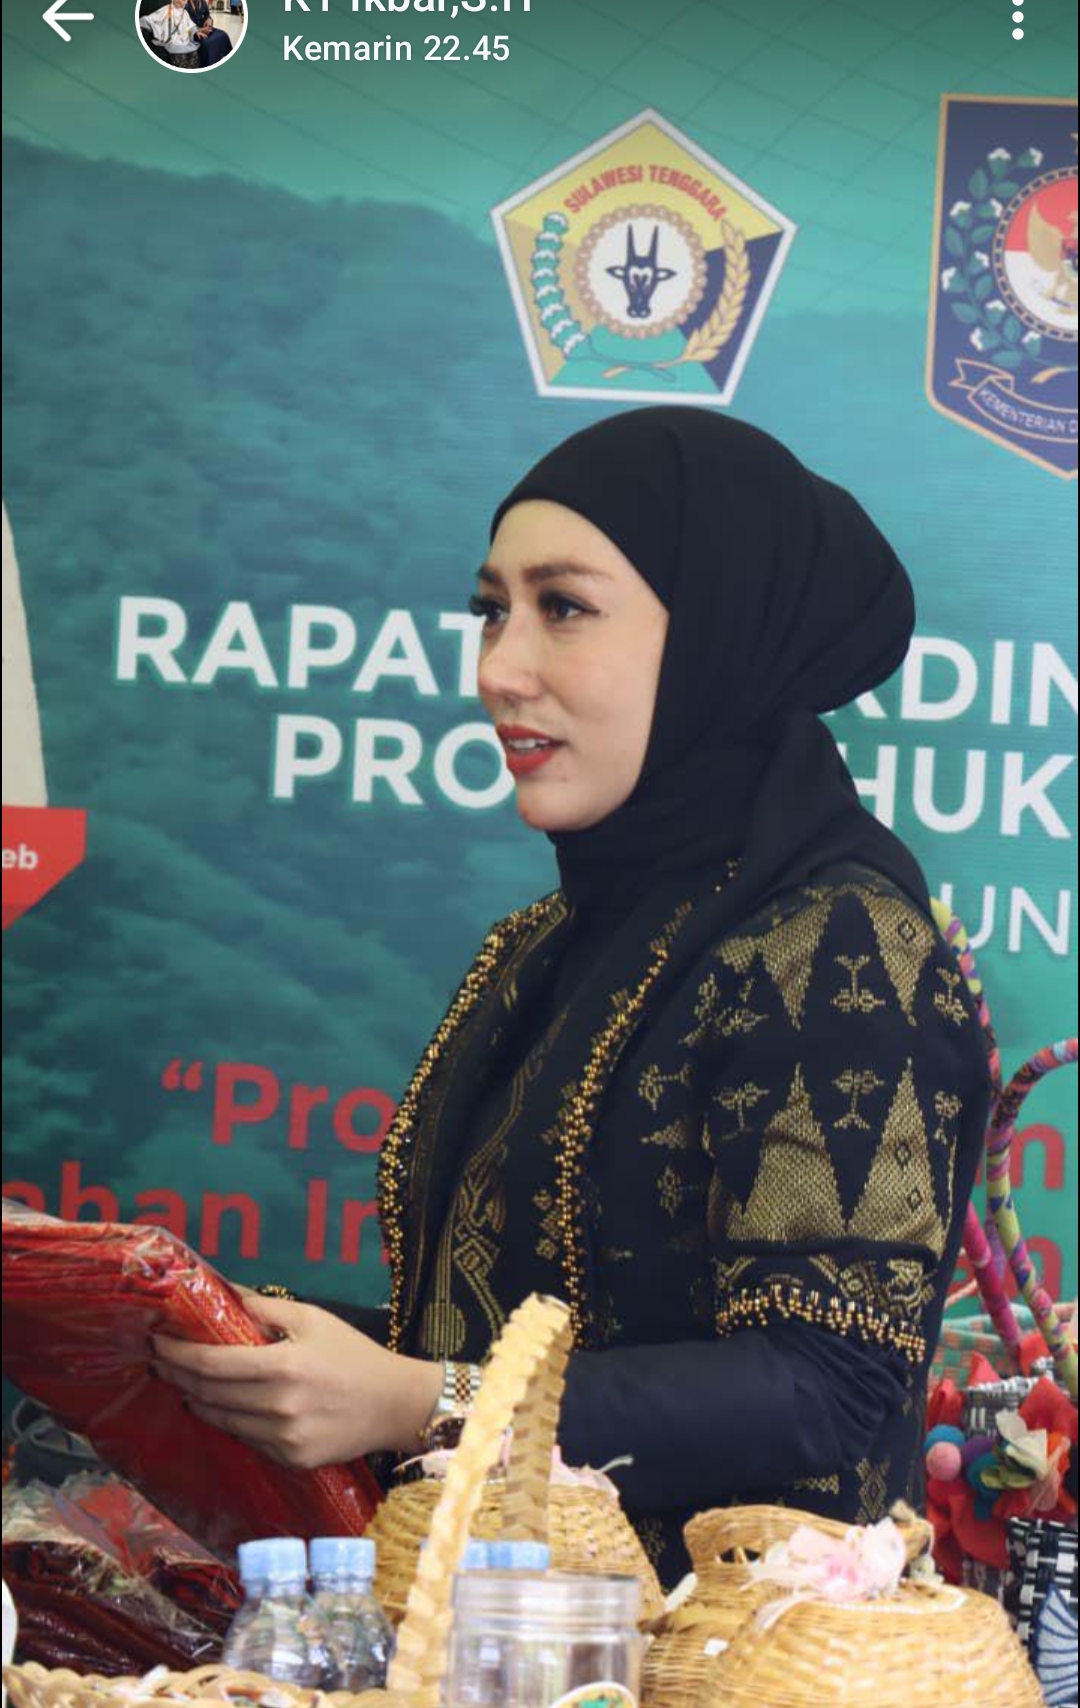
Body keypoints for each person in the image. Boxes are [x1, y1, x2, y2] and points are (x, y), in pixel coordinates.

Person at [153, 407, 994, 1586]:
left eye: (563, 608)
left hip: (715, 1673)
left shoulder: (834, 944)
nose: (498, 668)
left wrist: (418, 1403)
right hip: (495, 1654)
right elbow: (504, 1329)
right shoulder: (549, 945)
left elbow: (824, 1385)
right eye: (491, 610)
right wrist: (221, 1332)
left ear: (718, 636)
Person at [140, 0, 202, 67]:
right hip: (170, 39)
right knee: (179, 57)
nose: (180, 0)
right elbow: (153, 18)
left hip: (183, 39)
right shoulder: (166, 9)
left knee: (193, 55)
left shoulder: (185, 13)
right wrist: (142, 23)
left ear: (185, 2)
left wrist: (196, 31)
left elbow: (190, 24)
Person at [185, 0, 234, 69]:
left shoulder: (202, 1)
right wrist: (198, 30)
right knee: (206, 44)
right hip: (191, 32)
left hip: (204, 28)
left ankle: (220, 58)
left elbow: (207, 14)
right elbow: (182, 22)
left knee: (223, 35)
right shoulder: (185, 1)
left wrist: (209, 19)